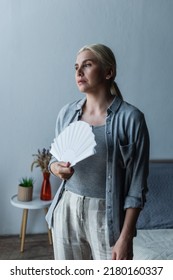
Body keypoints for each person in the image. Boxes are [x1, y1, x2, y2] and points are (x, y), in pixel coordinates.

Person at [46, 44, 150, 260]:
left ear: (108, 72)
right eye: (76, 67)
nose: (78, 72)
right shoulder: (66, 113)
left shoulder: (132, 119)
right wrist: (56, 168)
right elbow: (54, 158)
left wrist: (125, 238)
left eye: (87, 65)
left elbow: (137, 188)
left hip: (106, 213)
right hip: (67, 208)